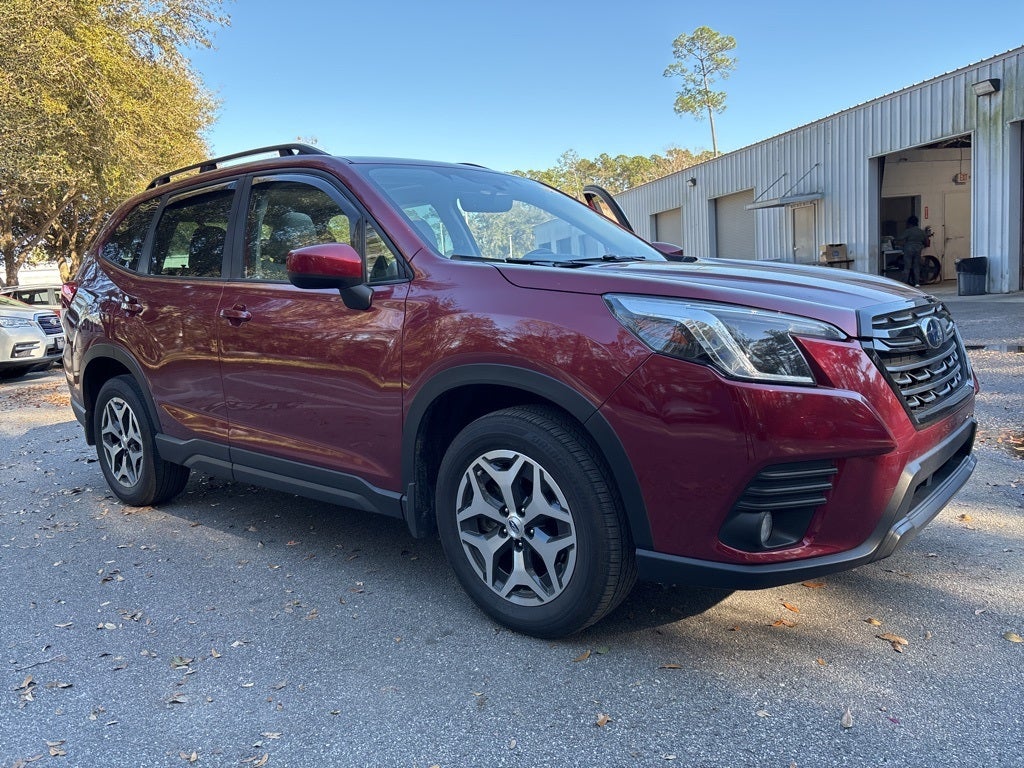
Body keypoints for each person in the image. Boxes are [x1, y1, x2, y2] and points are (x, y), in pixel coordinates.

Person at [899, 215, 929, 287]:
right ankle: (917, 283)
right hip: (918, 249)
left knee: (907, 266)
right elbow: (926, 242)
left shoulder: (908, 231)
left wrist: (893, 239)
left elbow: (900, 238)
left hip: (908, 249)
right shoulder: (921, 231)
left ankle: (904, 283)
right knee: (916, 266)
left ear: (910, 223)